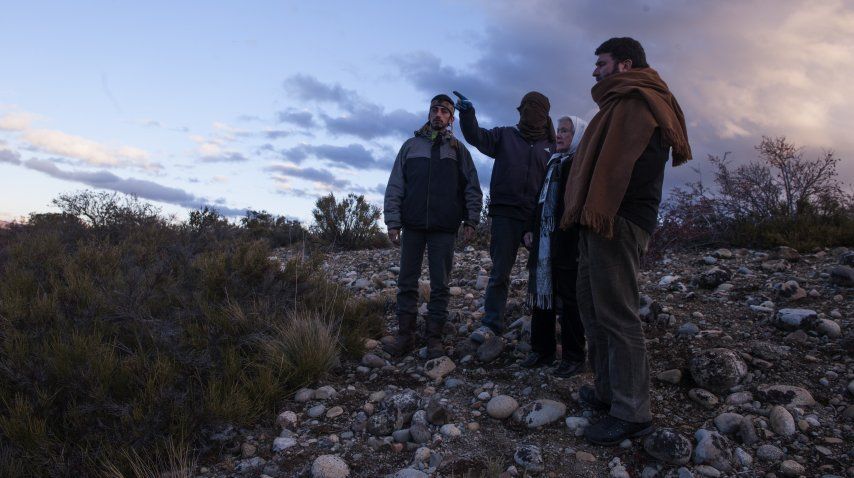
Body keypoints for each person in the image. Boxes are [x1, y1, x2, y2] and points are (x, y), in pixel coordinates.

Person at [560, 37, 692, 445]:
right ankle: (607, 392)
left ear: (624, 64)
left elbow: (643, 164)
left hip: (618, 220)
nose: (595, 70)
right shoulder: (618, 104)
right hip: (598, 221)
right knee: (592, 308)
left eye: (601, 62)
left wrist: (609, 209)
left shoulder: (642, 102)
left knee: (618, 314)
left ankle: (632, 411)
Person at [383, 94, 483, 359]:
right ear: (429, 113)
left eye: (444, 111)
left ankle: (434, 338)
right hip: (413, 225)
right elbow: (395, 185)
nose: (438, 114)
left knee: (440, 285)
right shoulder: (410, 146)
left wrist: (471, 219)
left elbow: (472, 186)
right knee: (406, 282)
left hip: (444, 227)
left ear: (451, 118)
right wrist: (393, 221)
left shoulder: (458, 150)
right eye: (435, 109)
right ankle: (405, 336)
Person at [454, 90, 555, 344]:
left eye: (536, 108)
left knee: (540, 272)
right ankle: (491, 323)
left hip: (539, 218)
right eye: (526, 107)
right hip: (504, 215)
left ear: (545, 115)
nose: (530, 112)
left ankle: (538, 323)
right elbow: (476, 137)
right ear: (519, 110)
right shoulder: (505, 136)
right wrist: (467, 115)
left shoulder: (551, 146)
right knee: (500, 272)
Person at [520, 115, 589, 377]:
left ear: (579, 135)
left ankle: (573, 357)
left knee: (570, 301)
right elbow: (539, 200)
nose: (559, 135)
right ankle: (542, 351)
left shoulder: (578, 165)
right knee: (542, 296)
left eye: (566, 131)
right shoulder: (553, 163)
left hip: (567, 243)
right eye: (558, 130)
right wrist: (528, 229)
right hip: (545, 244)